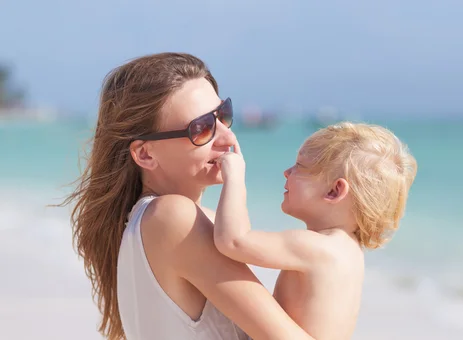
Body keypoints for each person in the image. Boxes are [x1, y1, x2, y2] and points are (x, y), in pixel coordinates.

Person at [61, 52, 315, 340]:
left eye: (223, 115)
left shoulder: (160, 224)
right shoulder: (173, 218)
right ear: (145, 153)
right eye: (202, 128)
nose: (228, 137)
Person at [213, 122, 418, 339]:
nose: (286, 172)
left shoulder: (317, 247)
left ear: (334, 190)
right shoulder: (349, 249)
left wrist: (234, 177)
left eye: (299, 166)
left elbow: (234, 241)